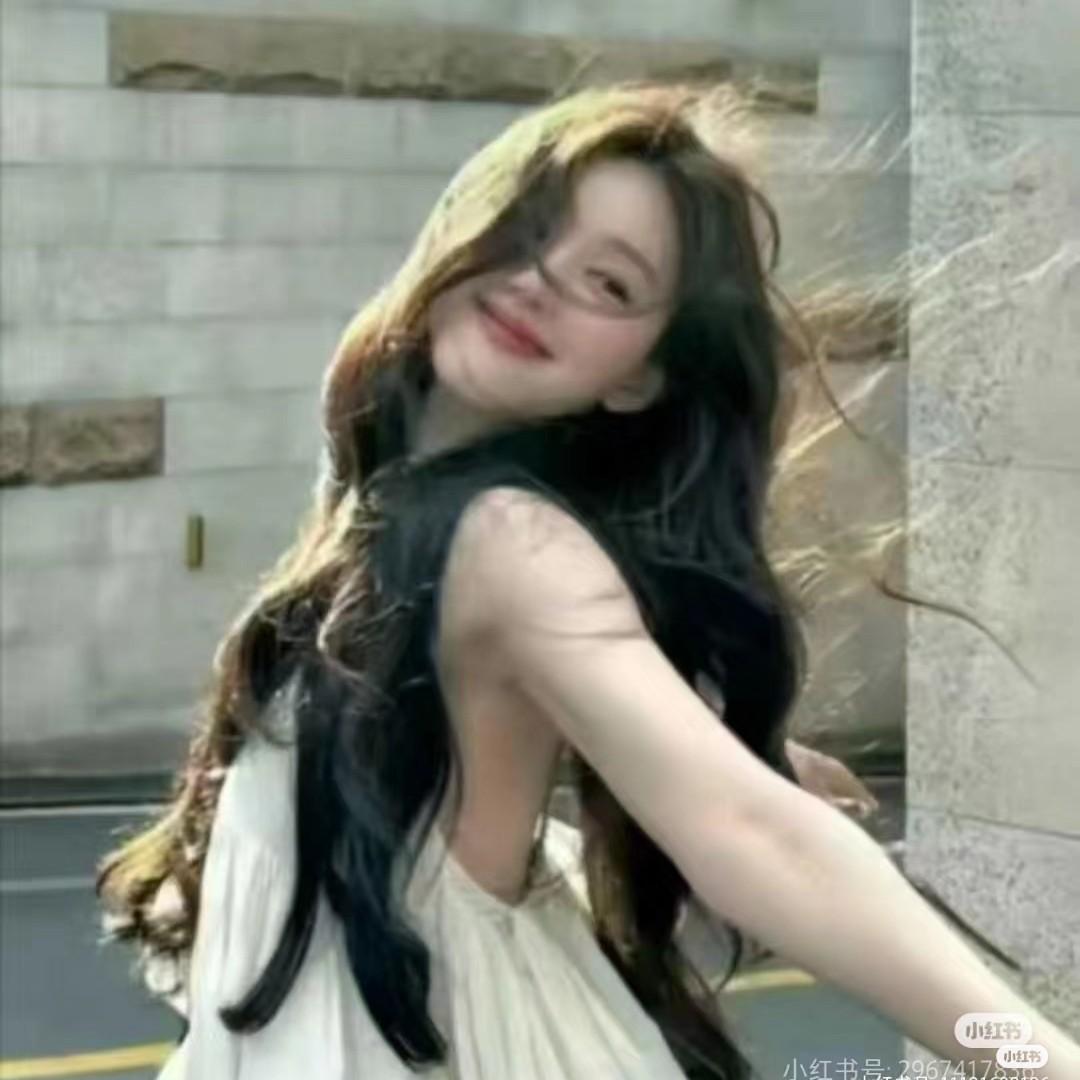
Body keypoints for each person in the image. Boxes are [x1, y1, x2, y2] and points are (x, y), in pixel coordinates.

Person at [97, 82, 1080, 1078]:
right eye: (526, 231)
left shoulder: (509, 542)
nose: (537, 281)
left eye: (609, 285)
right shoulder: (386, 478)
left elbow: (756, 837)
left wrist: (1029, 1060)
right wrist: (718, 734)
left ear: (639, 377)